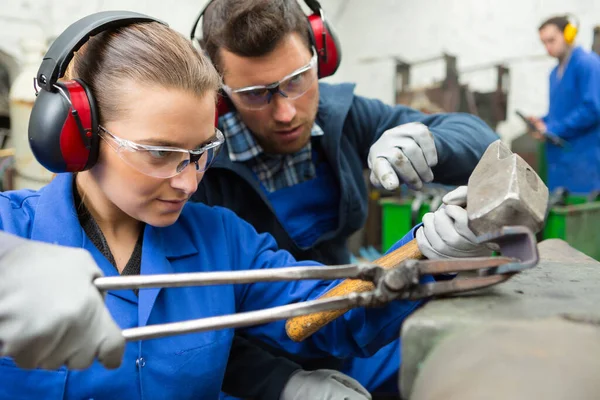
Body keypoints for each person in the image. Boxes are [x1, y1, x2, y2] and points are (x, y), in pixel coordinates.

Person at [0, 10, 489, 399]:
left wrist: (426, 253)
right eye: (159, 154)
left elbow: (329, 316)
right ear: (75, 137)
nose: (189, 183)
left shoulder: (221, 239)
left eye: (200, 153)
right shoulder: (11, 233)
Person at [191, 0, 498, 395]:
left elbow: (483, 143)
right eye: (255, 94)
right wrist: (281, 384)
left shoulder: (343, 116)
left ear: (321, 53)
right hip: (258, 359)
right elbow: (196, 332)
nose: (285, 112)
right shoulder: (197, 168)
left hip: (353, 324)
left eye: (297, 80)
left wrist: (434, 143)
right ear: (218, 92)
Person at [529, 15, 600, 194]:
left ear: (568, 35)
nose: (547, 48)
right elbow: (561, 111)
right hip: (560, 162)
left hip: (584, 160)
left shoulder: (588, 64)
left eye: (551, 40)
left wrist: (552, 128)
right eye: (543, 43)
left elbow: (592, 109)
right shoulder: (554, 73)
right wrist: (542, 122)